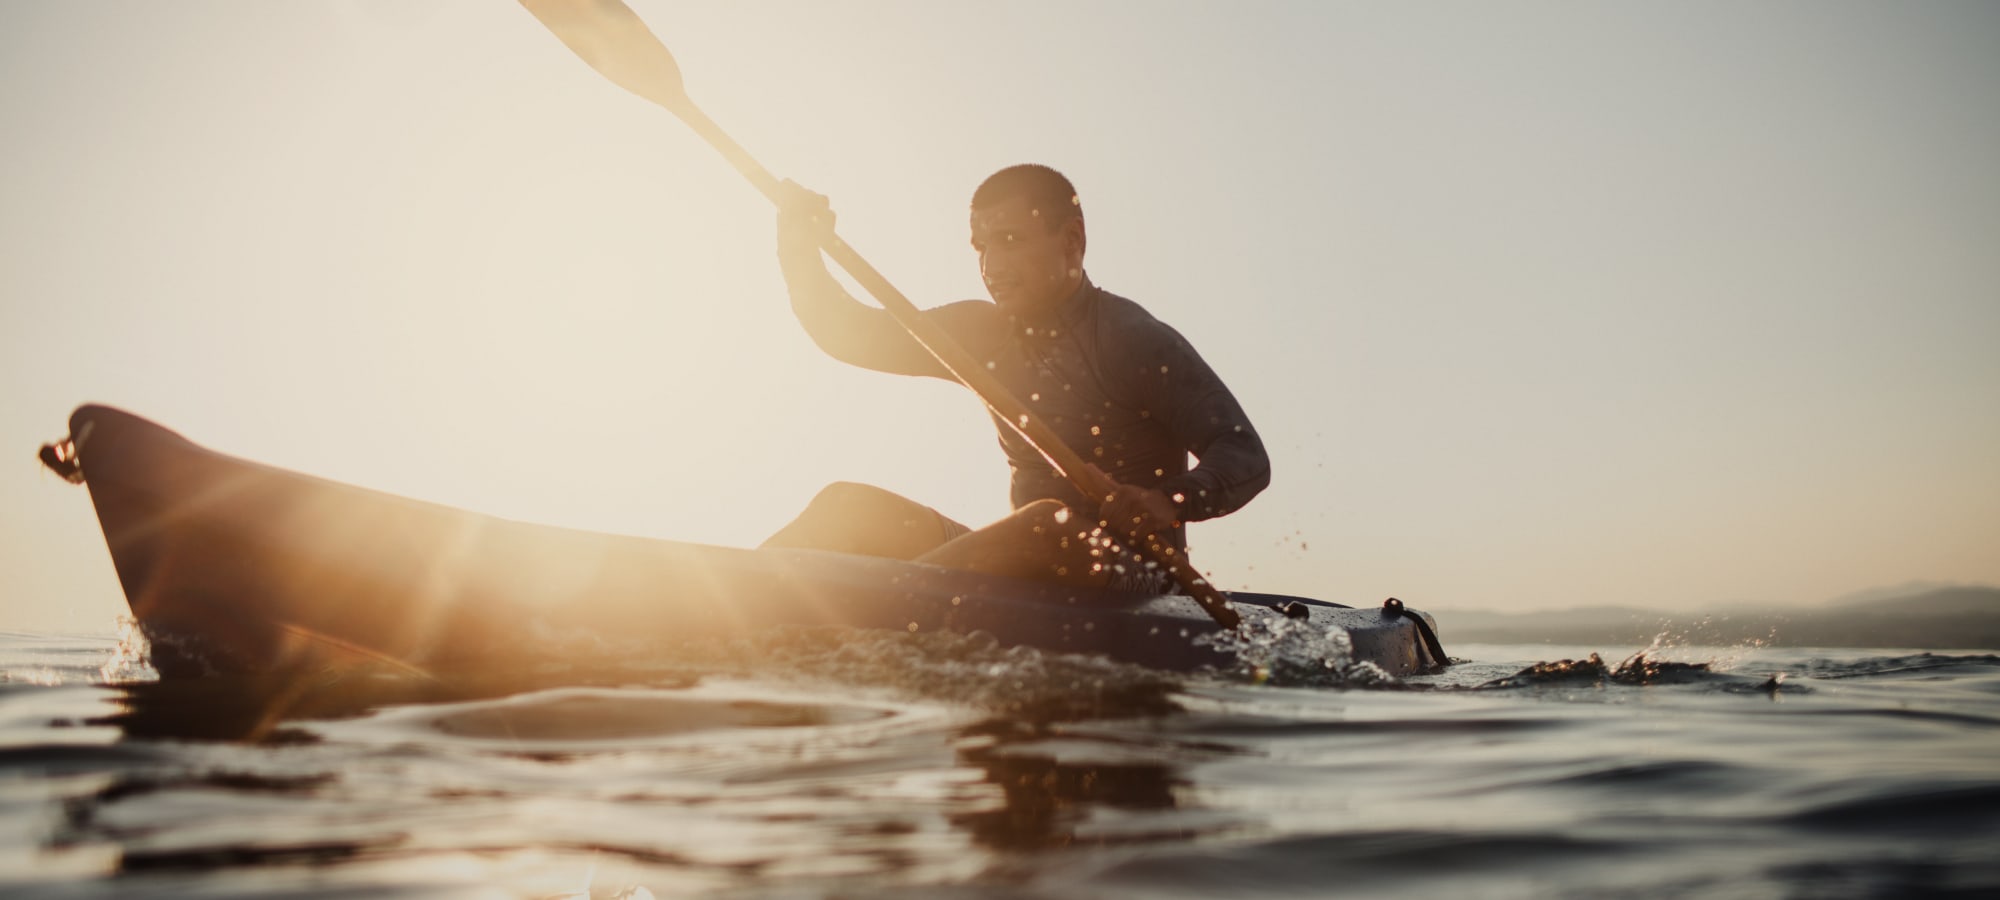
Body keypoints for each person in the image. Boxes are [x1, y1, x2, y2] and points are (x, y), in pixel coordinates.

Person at [760, 164, 1269, 591]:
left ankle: (872, 616)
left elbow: (1243, 453)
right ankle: (725, 613)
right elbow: (845, 333)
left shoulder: (1130, 337)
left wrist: (1167, 501)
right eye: (981, 246)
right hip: (1018, 568)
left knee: (1051, 525)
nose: (991, 266)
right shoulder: (980, 334)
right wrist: (799, 251)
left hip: (1136, 576)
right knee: (848, 506)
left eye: (1008, 241)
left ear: (1072, 241)